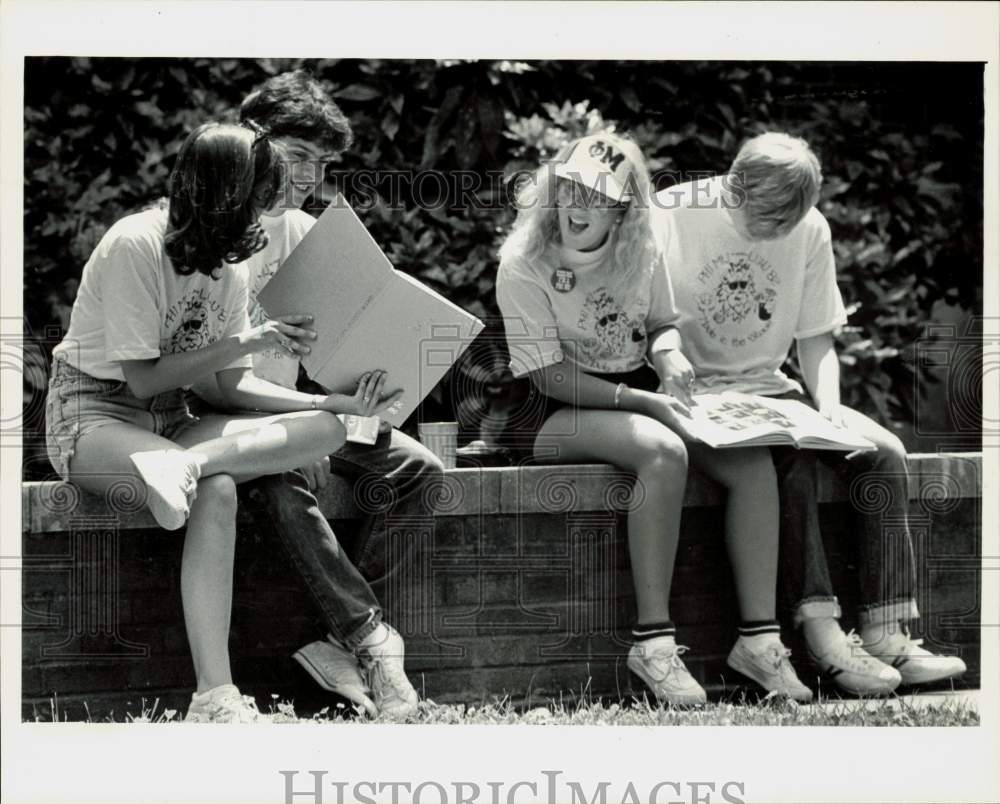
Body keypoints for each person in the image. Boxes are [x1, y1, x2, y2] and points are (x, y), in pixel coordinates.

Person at [44, 122, 403, 722]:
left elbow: (229, 387)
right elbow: (144, 378)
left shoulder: (231, 261)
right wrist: (245, 339)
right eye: (259, 198)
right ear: (224, 192)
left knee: (322, 436)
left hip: (173, 426)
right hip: (94, 410)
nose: (265, 215)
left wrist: (326, 405)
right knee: (214, 484)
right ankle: (214, 691)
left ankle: (214, 696)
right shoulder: (135, 243)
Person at [495, 132, 813, 705]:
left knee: (749, 460)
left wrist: (668, 354)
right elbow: (546, 375)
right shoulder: (523, 263)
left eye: (597, 195)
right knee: (663, 452)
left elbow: (663, 321)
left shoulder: (641, 249)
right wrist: (645, 400)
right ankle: (654, 644)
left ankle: (759, 642)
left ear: (623, 206)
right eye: (568, 188)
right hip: (549, 409)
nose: (577, 205)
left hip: (633, 389)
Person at [652, 131, 966, 695]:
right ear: (733, 183)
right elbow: (646, 318)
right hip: (695, 395)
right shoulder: (672, 214)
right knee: (788, 464)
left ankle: (884, 631)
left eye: (787, 223)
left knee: (883, 453)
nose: (776, 233)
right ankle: (823, 637)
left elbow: (816, 339)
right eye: (765, 219)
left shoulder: (810, 226)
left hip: (772, 389)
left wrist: (829, 410)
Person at [188, 70, 444, 719]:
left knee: (418, 468)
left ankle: (339, 643)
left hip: (303, 415)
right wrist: (318, 413)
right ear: (255, 142)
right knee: (284, 476)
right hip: (228, 418)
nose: (309, 177)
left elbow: (336, 351)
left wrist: (370, 378)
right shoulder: (214, 231)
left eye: (322, 164)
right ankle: (371, 641)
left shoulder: (305, 232)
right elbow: (208, 381)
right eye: (300, 157)